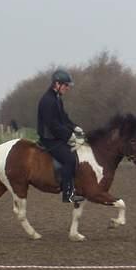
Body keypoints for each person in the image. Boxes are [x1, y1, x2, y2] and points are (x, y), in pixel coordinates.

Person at [37, 68, 85, 203]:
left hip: (57, 136)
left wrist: (75, 128)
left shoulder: (57, 99)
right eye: (66, 85)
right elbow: (53, 125)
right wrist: (70, 136)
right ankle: (67, 194)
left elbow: (63, 119)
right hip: (49, 139)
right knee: (70, 159)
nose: (68, 88)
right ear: (57, 84)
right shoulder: (47, 100)